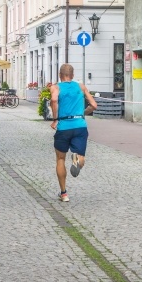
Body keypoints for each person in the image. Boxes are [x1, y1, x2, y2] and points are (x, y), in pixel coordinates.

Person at [50, 64, 97, 202]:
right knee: (80, 155)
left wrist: (55, 119)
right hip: (79, 126)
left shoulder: (56, 87)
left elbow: (54, 100)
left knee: (60, 159)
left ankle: (64, 193)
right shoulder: (81, 86)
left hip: (64, 126)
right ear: (73, 75)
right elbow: (94, 105)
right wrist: (83, 113)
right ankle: (78, 160)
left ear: (60, 75)